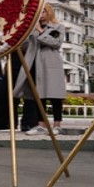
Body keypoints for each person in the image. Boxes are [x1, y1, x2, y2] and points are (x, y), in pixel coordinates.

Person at [18, 7, 67, 135]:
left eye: (43, 12)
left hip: (51, 64)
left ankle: (57, 125)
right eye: (38, 12)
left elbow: (56, 43)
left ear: (49, 12)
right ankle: (41, 124)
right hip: (35, 64)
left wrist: (40, 31)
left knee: (55, 95)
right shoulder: (32, 29)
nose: (41, 15)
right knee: (39, 96)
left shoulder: (58, 27)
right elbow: (24, 47)